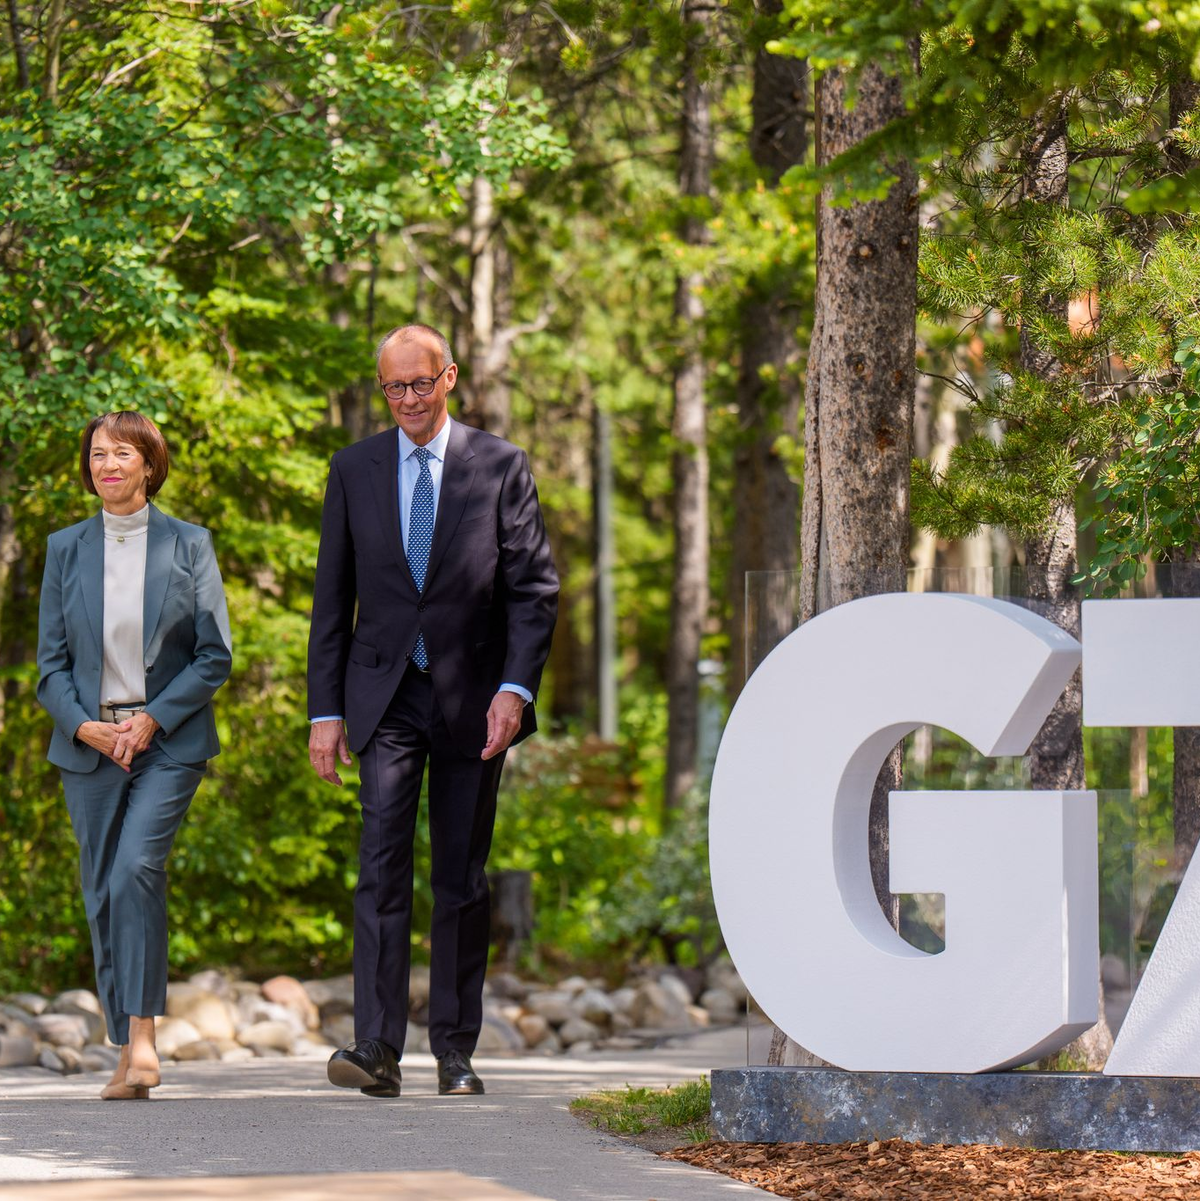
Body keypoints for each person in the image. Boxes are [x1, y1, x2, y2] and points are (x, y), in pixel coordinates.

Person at [307, 323, 558, 1098]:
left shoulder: (501, 465)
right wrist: (324, 709)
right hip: (382, 696)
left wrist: (515, 690)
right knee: (379, 866)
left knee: (460, 874)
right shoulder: (354, 469)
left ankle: (454, 1050)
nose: (409, 400)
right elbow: (331, 598)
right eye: (394, 387)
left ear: (450, 376)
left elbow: (533, 590)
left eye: (420, 383)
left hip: (474, 702)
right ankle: (378, 1046)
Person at [37, 412, 232, 1100]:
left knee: (135, 870)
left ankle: (144, 1039)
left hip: (167, 743)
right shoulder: (65, 548)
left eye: (122, 453)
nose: (107, 465)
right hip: (90, 746)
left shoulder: (188, 544)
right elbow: (50, 664)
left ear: (149, 464)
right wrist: (86, 726)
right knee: (100, 892)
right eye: (97, 454)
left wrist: (151, 719)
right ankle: (125, 1047)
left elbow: (215, 655)